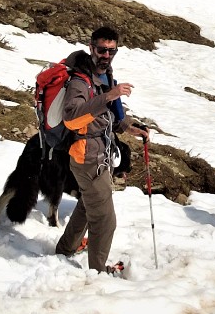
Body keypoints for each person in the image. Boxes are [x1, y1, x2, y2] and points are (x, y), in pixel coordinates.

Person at [55, 26, 148, 274]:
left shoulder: (105, 75)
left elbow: (112, 116)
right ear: (91, 47)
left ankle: (66, 248)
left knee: (88, 204)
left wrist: (130, 127)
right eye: (102, 50)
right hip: (86, 156)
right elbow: (72, 118)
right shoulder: (79, 81)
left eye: (111, 50)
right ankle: (97, 272)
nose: (106, 55)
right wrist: (109, 95)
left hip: (101, 154)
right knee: (105, 220)